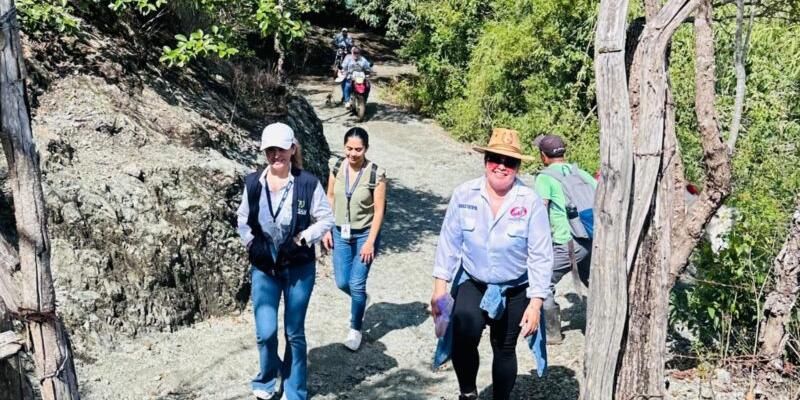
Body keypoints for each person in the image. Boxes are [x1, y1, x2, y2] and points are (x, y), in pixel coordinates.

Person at [431, 128, 553, 400]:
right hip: (474, 281)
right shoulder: (465, 194)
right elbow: (448, 242)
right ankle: (468, 393)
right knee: (464, 332)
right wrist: (440, 288)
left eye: (509, 162)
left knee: (504, 347)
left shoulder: (530, 202)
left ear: (518, 167)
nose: (501, 166)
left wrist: (535, 303)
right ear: (485, 161)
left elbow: (541, 255)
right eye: (495, 159)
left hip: (515, 287)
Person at [237, 122, 335, 400]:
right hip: (265, 265)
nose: (275, 155)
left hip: (299, 266)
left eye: (281, 149)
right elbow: (242, 220)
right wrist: (251, 243)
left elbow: (327, 219)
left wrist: (303, 238)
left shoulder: (307, 183)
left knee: (294, 332)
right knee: (266, 332)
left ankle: (295, 391)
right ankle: (266, 382)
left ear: (292, 149)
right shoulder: (253, 183)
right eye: (270, 150)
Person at [322, 127, 387, 351]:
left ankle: (355, 328)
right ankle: (361, 299)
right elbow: (329, 197)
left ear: (366, 149)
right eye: (349, 148)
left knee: (356, 284)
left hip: (365, 235)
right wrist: (327, 228)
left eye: (358, 149)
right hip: (341, 232)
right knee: (342, 282)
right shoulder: (337, 167)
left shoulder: (375, 174)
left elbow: (379, 211)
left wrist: (370, 242)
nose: (352, 153)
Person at [532, 134, 597, 344]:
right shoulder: (580, 172)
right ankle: (602, 325)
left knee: (543, 282)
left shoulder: (544, 178)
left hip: (567, 243)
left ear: (544, 156)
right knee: (593, 282)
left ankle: (552, 333)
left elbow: (540, 211)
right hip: (590, 239)